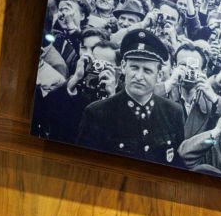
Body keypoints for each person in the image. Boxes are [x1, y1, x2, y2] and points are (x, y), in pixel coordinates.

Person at [76, 29, 186, 164]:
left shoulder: (173, 112)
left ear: (159, 75)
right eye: (134, 67)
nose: (139, 77)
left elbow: (176, 164)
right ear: (123, 67)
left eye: (147, 70)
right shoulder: (97, 113)